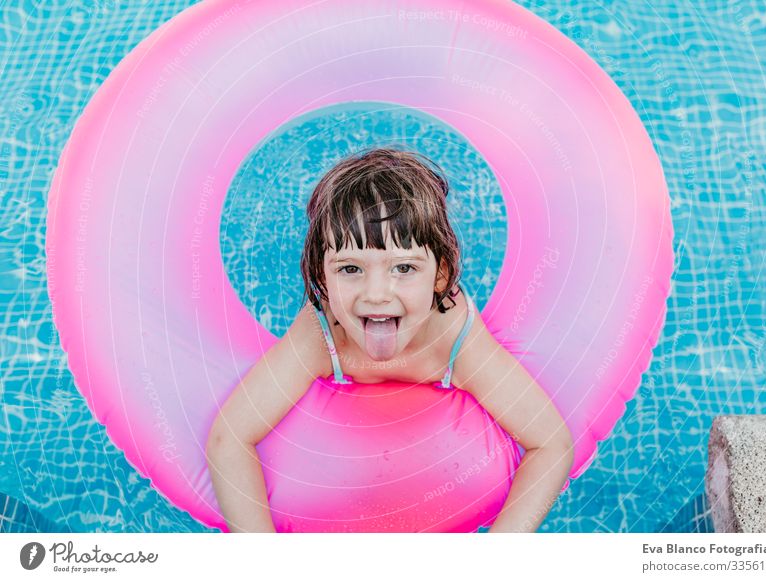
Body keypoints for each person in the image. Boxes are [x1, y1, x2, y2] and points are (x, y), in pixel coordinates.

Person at [205, 147, 574, 532]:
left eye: (404, 267)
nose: (376, 293)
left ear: (440, 276)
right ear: (322, 276)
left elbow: (549, 444)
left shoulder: (454, 339)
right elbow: (229, 438)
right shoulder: (322, 331)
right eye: (350, 268)